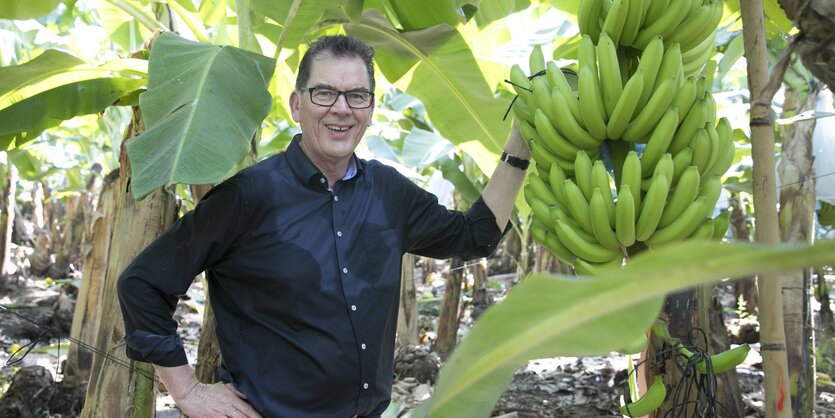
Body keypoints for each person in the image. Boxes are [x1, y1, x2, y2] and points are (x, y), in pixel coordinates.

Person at [117, 34, 530, 418]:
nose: (341, 108)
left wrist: (518, 147)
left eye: (357, 96)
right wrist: (188, 392)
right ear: (297, 104)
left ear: (370, 108)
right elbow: (142, 284)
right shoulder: (249, 196)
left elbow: (476, 236)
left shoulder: (389, 192)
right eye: (325, 93)